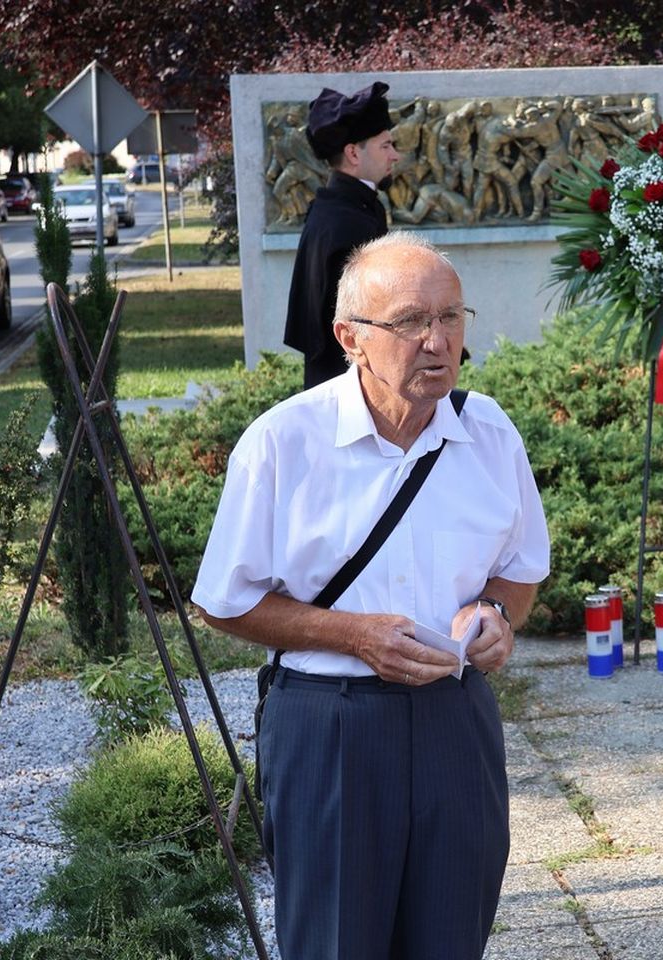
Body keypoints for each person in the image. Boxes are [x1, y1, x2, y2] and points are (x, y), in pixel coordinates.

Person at [192, 232, 550, 960]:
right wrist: (355, 637)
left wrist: (497, 616)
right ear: (349, 337)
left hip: (457, 719)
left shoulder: (489, 433)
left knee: (453, 937)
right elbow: (224, 600)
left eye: (451, 318)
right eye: (411, 322)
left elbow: (520, 568)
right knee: (336, 944)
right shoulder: (284, 443)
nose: (437, 341)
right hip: (332, 728)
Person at [283, 81, 400, 390]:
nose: (395, 156)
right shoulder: (347, 223)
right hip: (349, 390)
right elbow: (364, 324)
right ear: (353, 153)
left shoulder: (345, 209)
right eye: (386, 146)